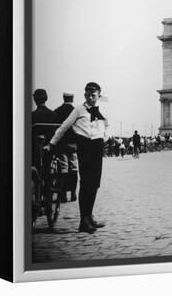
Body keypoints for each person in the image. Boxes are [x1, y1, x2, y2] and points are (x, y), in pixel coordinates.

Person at [44, 82, 109, 234]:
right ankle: (83, 220)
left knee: (95, 183)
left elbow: (108, 124)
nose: (91, 97)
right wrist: (51, 144)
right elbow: (64, 126)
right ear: (85, 95)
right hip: (85, 146)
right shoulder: (78, 110)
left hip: (97, 147)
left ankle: (90, 216)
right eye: (88, 94)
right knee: (86, 182)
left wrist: (106, 137)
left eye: (94, 95)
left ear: (99, 95)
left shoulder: (103, 109)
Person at [54, 93, 79, 202]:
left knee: (63, 168)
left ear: (63, 98)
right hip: (73, 145)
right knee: (74, 167)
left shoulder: (57, 111)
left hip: (61, 145)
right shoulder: (76, 111)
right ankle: (73, 194)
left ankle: (63, 195)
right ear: (72, 99)